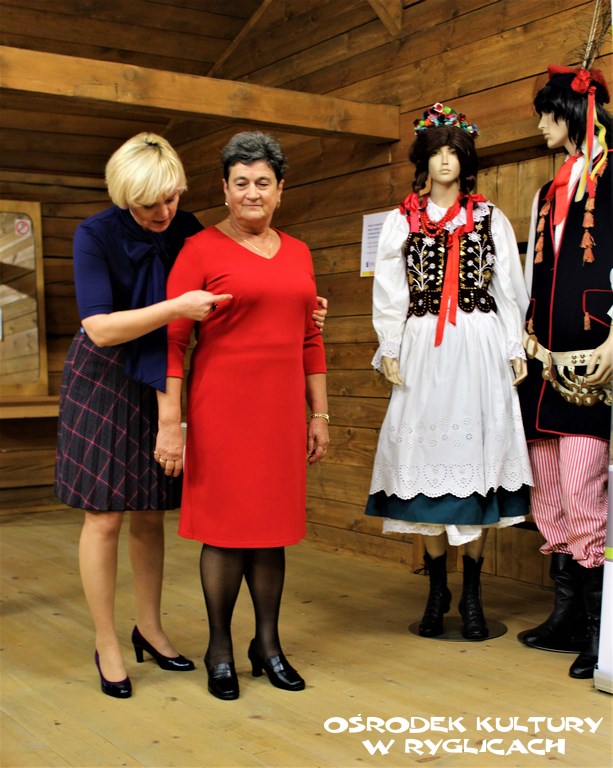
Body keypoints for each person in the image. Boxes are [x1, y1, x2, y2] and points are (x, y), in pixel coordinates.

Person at [155, 131, 329, 700]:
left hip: (280, 412)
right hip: (223, 411)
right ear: (225, 190)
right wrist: (173, 422)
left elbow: (310, 339)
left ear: (280, 190)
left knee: (271, 532)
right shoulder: (199, 249)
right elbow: (173, 342)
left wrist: (320, 413)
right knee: (227, 532)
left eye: (263, 183)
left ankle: (268, 646)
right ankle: (220, 650)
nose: (252, 193)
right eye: (241, 183)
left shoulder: (299, 252)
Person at [365, 104, 533, 641]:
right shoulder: (402, 220)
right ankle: (437, 590)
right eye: (436, 152)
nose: (444, 161)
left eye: (453, 153)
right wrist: (390, 346)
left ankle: (473, 596)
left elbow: (508, 288)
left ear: (465, 161)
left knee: (477, 461)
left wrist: (513, 344)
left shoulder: (490, 218)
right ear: (424, 159)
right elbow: (390, 292)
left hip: (478, 346)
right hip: (424, 351)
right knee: (426, 464)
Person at [517, 64, 612, 680]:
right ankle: (567, 615)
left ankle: (601, 633)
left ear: (573, 113)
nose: (540, 127)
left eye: (546, 116)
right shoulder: (549, 188)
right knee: (549, 489)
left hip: (592, 363)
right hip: (545, 363)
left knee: (583, 488)